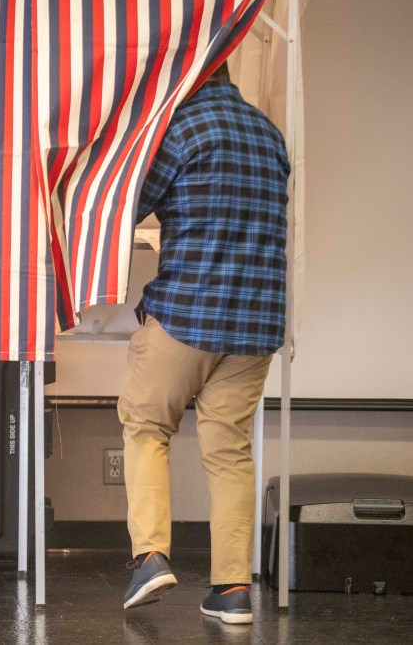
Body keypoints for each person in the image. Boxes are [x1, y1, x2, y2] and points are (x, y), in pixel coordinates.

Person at [118, 61, 290, 625]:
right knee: (230, 451)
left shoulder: (182, 127)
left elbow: (127, 208)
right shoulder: (269, 133)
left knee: (146, 425)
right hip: (255, 324)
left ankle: (150, 556)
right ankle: (233, 590)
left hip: (187, 315)